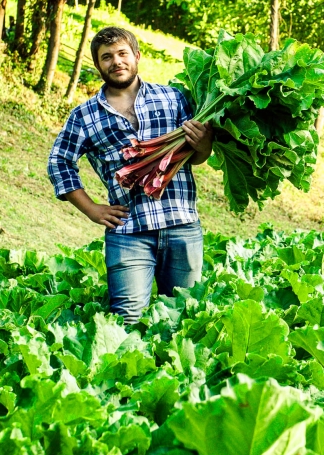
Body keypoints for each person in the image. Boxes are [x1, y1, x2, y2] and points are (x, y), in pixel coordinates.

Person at [47, 26, 213, 324]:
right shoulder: (84, 116)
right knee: (127, 318)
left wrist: (205, 145)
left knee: (183, 320)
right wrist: (91, 209)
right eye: (106, 57)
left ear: (136, 56)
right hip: (128, 233)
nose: (116, 61)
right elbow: (59, 162)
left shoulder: (172, 98)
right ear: (98, 66)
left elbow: (196, 156)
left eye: (122, 53)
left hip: (181, 225)